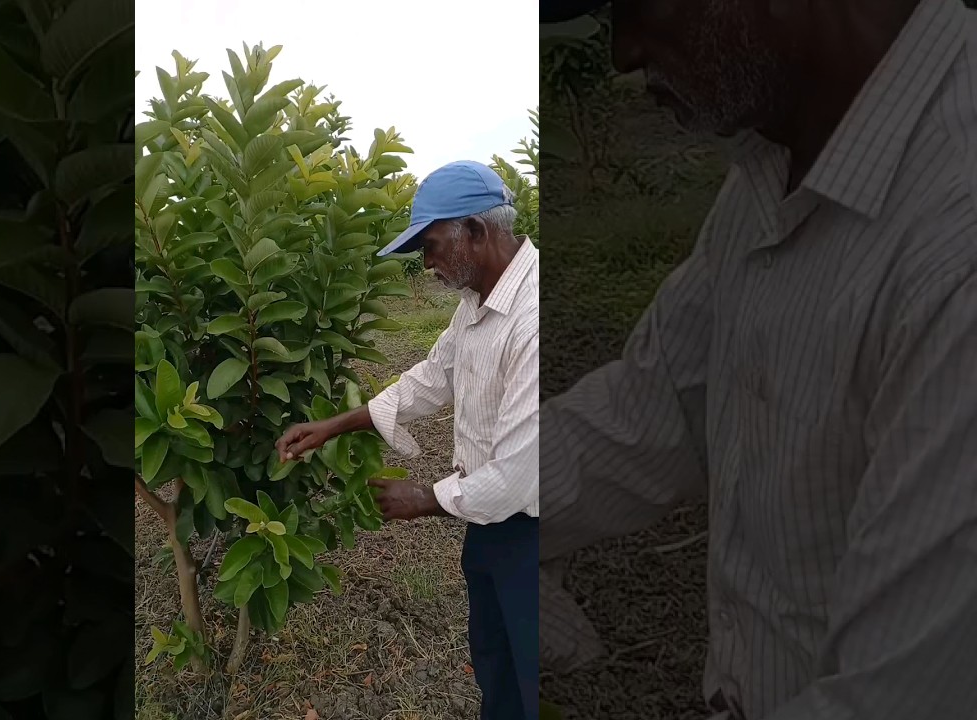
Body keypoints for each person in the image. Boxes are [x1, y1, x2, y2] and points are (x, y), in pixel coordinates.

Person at [539, 0, 977, 719]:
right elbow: (656, 405)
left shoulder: (954, 248)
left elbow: (898, 696)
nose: (621, 53)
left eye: (637, 6)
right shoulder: (782, 157)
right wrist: (468, 504)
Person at [275, 160, 540, 720]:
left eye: (433, 245)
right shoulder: (477, 303)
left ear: (475, 231)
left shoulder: (533, 317)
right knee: (498, 668)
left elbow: (520, 474)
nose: (427, 263)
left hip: (535, 534)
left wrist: (425, 498)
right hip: (488, 523)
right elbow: (432, 376)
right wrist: (334, 425)